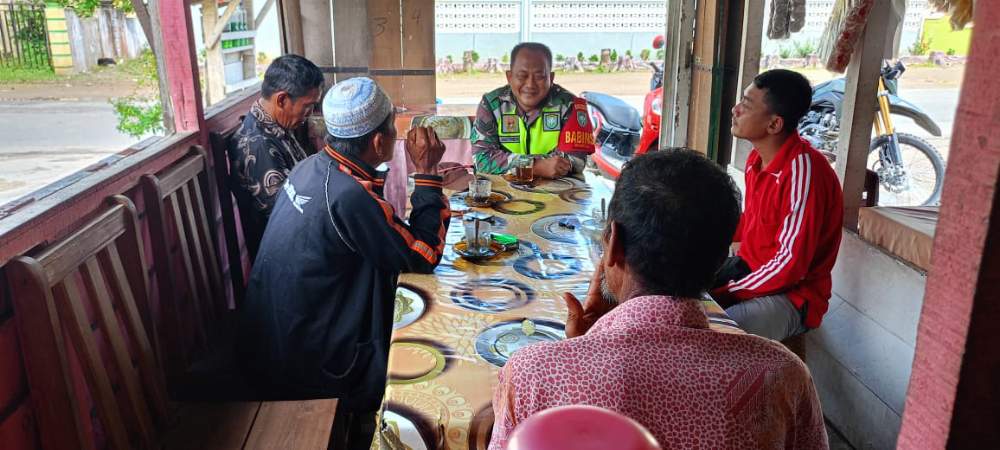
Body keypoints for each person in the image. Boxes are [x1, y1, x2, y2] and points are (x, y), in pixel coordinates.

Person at [489, 150, 828, 450]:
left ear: (613, 244)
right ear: (721, 256)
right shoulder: (782, 376)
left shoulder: (533, 374)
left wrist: (583, 348)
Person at [236, 77, 449, 450]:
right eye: (392, 131)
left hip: (274, 340)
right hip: (310, 363)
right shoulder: (347, 195)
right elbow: (422, 256)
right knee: (428, 340)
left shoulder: (313, 167)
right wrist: (428, 176)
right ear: (379, 142)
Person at [711, 69, 844, 341]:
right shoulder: (756, 160)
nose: (735, 110)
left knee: (715, 331)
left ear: (774, 125)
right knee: (676, 294)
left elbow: (789, 266)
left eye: (746, 105)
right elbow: (752, 220)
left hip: (793, 296)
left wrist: (728, 292)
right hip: (750, 271)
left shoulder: (803, 171)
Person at [228, 54, 324, 258]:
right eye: (307, 106)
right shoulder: (258, 146)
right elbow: (290, 219)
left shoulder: (274, 126)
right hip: (284, 261)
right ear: (281, 99)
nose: (310, 113)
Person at [472, 42, 596, 179]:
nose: (530, 84)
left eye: (539, 76)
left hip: (556, 193)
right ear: (509, 77)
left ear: (551, 78)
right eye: (522, 76)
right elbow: (482, 159)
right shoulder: (491, 104)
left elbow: (576, 160)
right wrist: (534, 165)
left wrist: (511, 163)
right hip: (503, 192)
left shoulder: (570, 105)